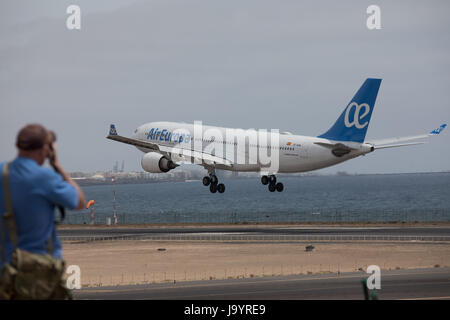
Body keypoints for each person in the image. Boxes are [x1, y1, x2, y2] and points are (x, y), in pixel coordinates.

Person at [0, 124, 86, 299]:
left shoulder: (2, 172)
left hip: (4, 273)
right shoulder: (45, 177)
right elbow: (79, 202)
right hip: (38, 276)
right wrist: (57, 165)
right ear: (46, 149)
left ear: (17, 146)